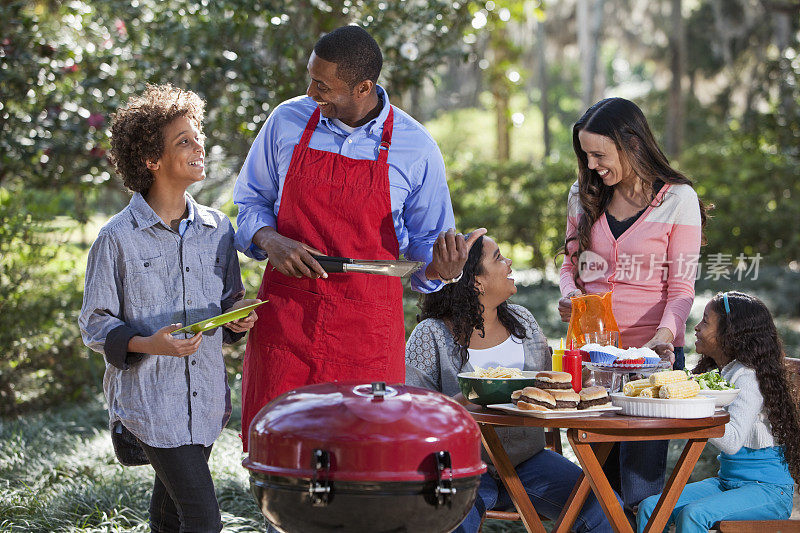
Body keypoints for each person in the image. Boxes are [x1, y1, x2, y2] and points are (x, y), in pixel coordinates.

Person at [233, 25, 481, 451]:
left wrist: (443, 268)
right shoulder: (286, 121)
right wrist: (269, 239)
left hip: (366, 333)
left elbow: (426, 250)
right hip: (285, 323)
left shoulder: (416, 148)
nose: (311, 92)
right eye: (310, 78)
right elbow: (251, 202)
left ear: (364, 87)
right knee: (278, 459)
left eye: (323, 85)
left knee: (361, 462)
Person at [79, 84, 258, 532]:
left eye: (198, 135)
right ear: (151, 160)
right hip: (151, 405)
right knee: (204, 521)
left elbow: (226, 303)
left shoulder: (219, 230)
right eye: (184, 140)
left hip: (206, 402)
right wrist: (149, 344)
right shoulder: (116, 238)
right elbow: (94, 323)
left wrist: (237, 318)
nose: (199, 145)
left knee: (171, 517)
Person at [406, 234, 617, 533]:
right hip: (460, 469)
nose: (509, 263)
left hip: (528, 463)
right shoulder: (431, 335)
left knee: (606, 509)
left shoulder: (522, 321)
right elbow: (410, 415)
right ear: (476, 281)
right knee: (450, 521)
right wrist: (459, 404)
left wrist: (591, 374)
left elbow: (556, 387)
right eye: (498, 258)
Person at [558, 97, 708, 513]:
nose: (591, 166)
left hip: (651, 361)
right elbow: (570, 266)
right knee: (598, 482)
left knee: (639, 488)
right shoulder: (583, 195)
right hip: (593, 358)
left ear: (631, 144)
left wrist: (664, 337)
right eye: (585, 155)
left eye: (599, 154)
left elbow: (681, 289)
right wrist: (569, 293)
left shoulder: (678, 199)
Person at [637, 292, 800, 532]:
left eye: (705, 322)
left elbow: (732, 440)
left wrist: (691, 408)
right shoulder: (722, 371)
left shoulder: (747, 377)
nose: (696, 327)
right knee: (651, 507)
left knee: (694, 515)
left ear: (729, 334)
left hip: (767, 490)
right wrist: (662, 369)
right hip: (727, 482)